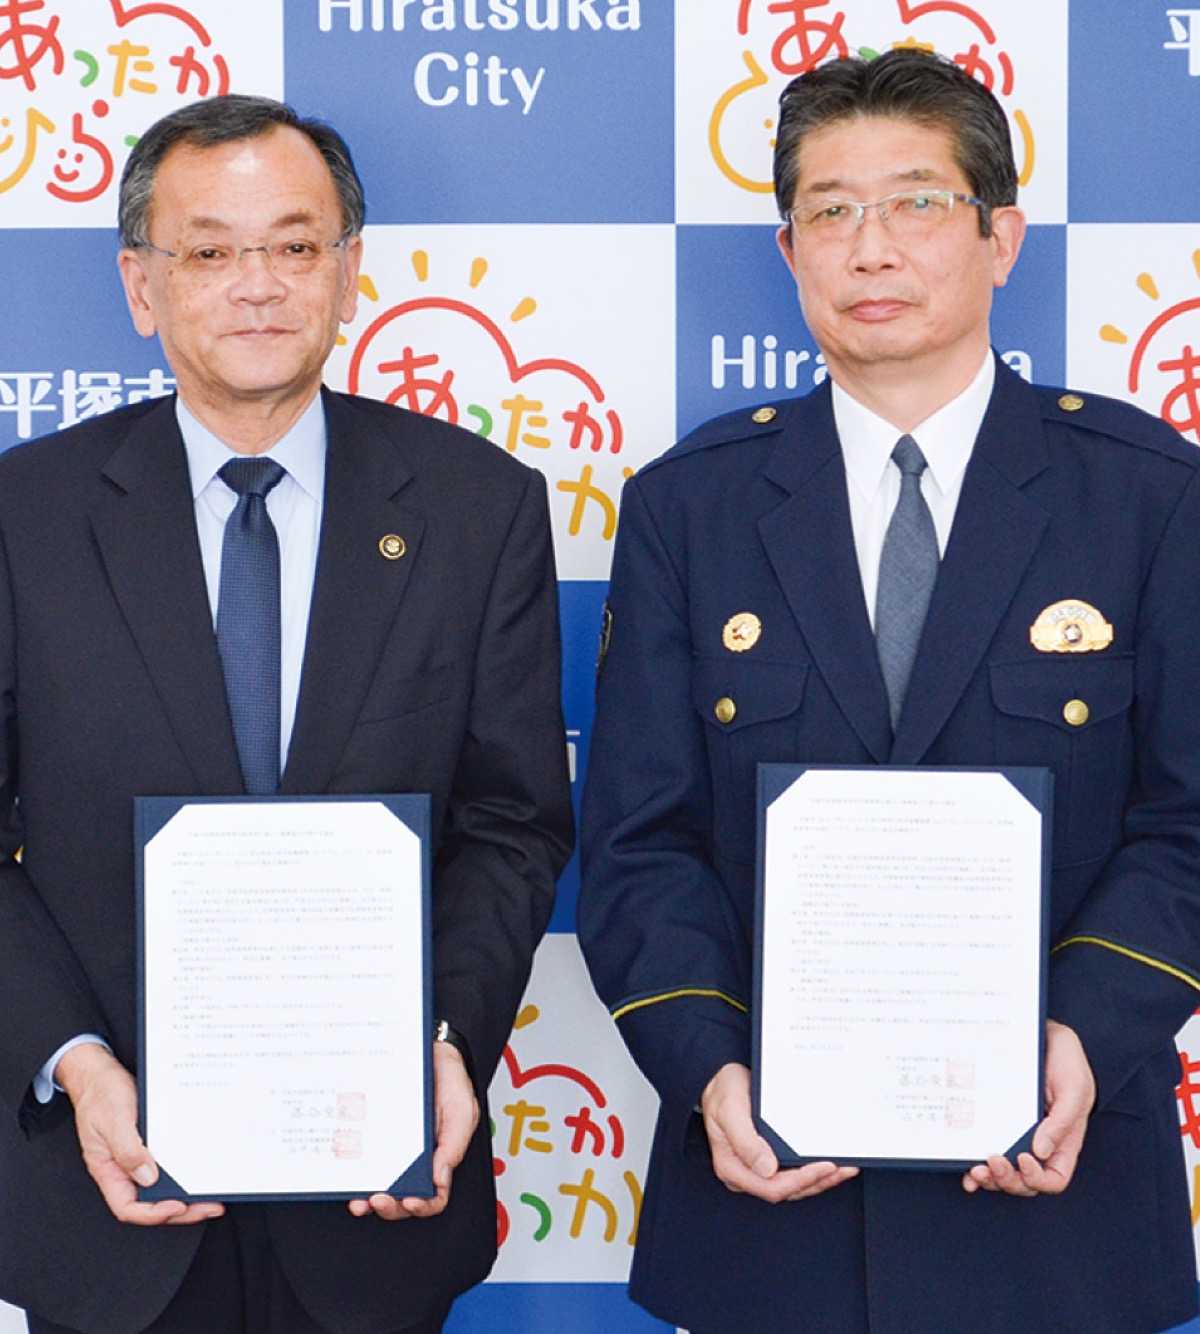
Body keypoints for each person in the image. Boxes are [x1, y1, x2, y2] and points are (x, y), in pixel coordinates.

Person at [578, 48, 1200, 1334]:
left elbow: (1187, 820)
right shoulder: (691, 507)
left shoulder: (1148, 494)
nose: (872, 248)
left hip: (1059, 1197)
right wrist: (712, 1067)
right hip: (771, 1205)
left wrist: (1080, 1036)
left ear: (1000, 237)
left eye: (917, 201)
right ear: (790, 249)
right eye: (830, 210)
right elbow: (638, 842)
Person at [0, 95, 573, 1333]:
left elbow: (514, 823)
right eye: (210, 250)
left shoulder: (479, 508)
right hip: (108, 1195)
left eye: (295, 245)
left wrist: (443, 1042)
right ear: (142, 285)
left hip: (377, 1201)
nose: (257, 283)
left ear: (348, 272)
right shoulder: (23, 516)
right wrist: (76, 1064)